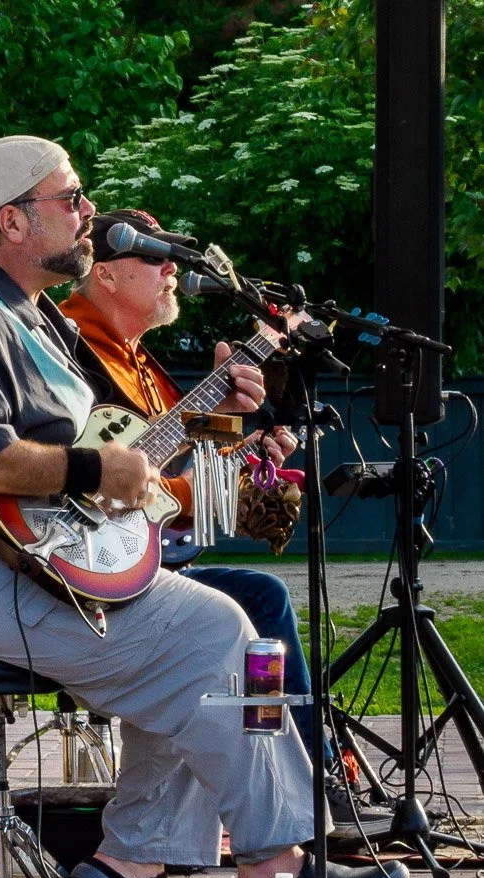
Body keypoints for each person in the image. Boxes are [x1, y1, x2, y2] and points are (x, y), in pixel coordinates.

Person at [0, 135, 408, 878]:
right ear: (11, 221)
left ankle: (148, 867)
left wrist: (210, 425)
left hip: (16, 565)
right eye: (72, 199)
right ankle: (264, 866)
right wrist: (92, 471)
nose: (89, 214)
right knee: (214, 633)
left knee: (207, 636)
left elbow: (108, 451)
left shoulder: (27, 312)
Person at [59, 209, 393, 839]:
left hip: (147, 559)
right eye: (156, 261)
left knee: (261, 601)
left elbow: (174, 453)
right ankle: (296, 794)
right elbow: (122, 480)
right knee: (257, 605)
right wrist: (215, 461)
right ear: (103, 274)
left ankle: (287, 789)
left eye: (173, 260)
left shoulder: (136, 358)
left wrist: (240, 426)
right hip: (94, 571)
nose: (171, 272)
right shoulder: (74, 349)